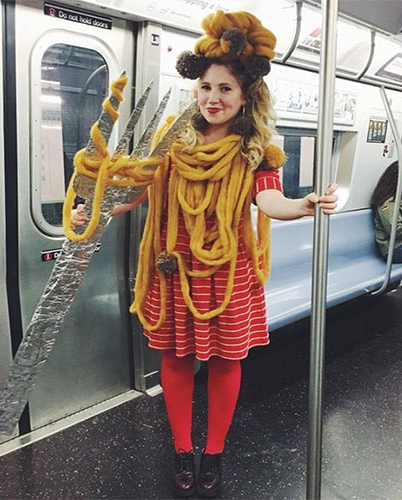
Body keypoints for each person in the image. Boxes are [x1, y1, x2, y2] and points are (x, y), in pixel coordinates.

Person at [71, 10, 337, 498]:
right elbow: (136, 191)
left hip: (227, 272)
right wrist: (98, 206)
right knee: (174, 358)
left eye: (225, 90)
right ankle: (180, 446)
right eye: (207, 88)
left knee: (224, 362)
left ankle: (212, 451)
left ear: (245, 96)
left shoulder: (256, 149)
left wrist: (301, 205)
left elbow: (268, 200)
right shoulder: (172, 139)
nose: (213, 98)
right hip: (174, 269)